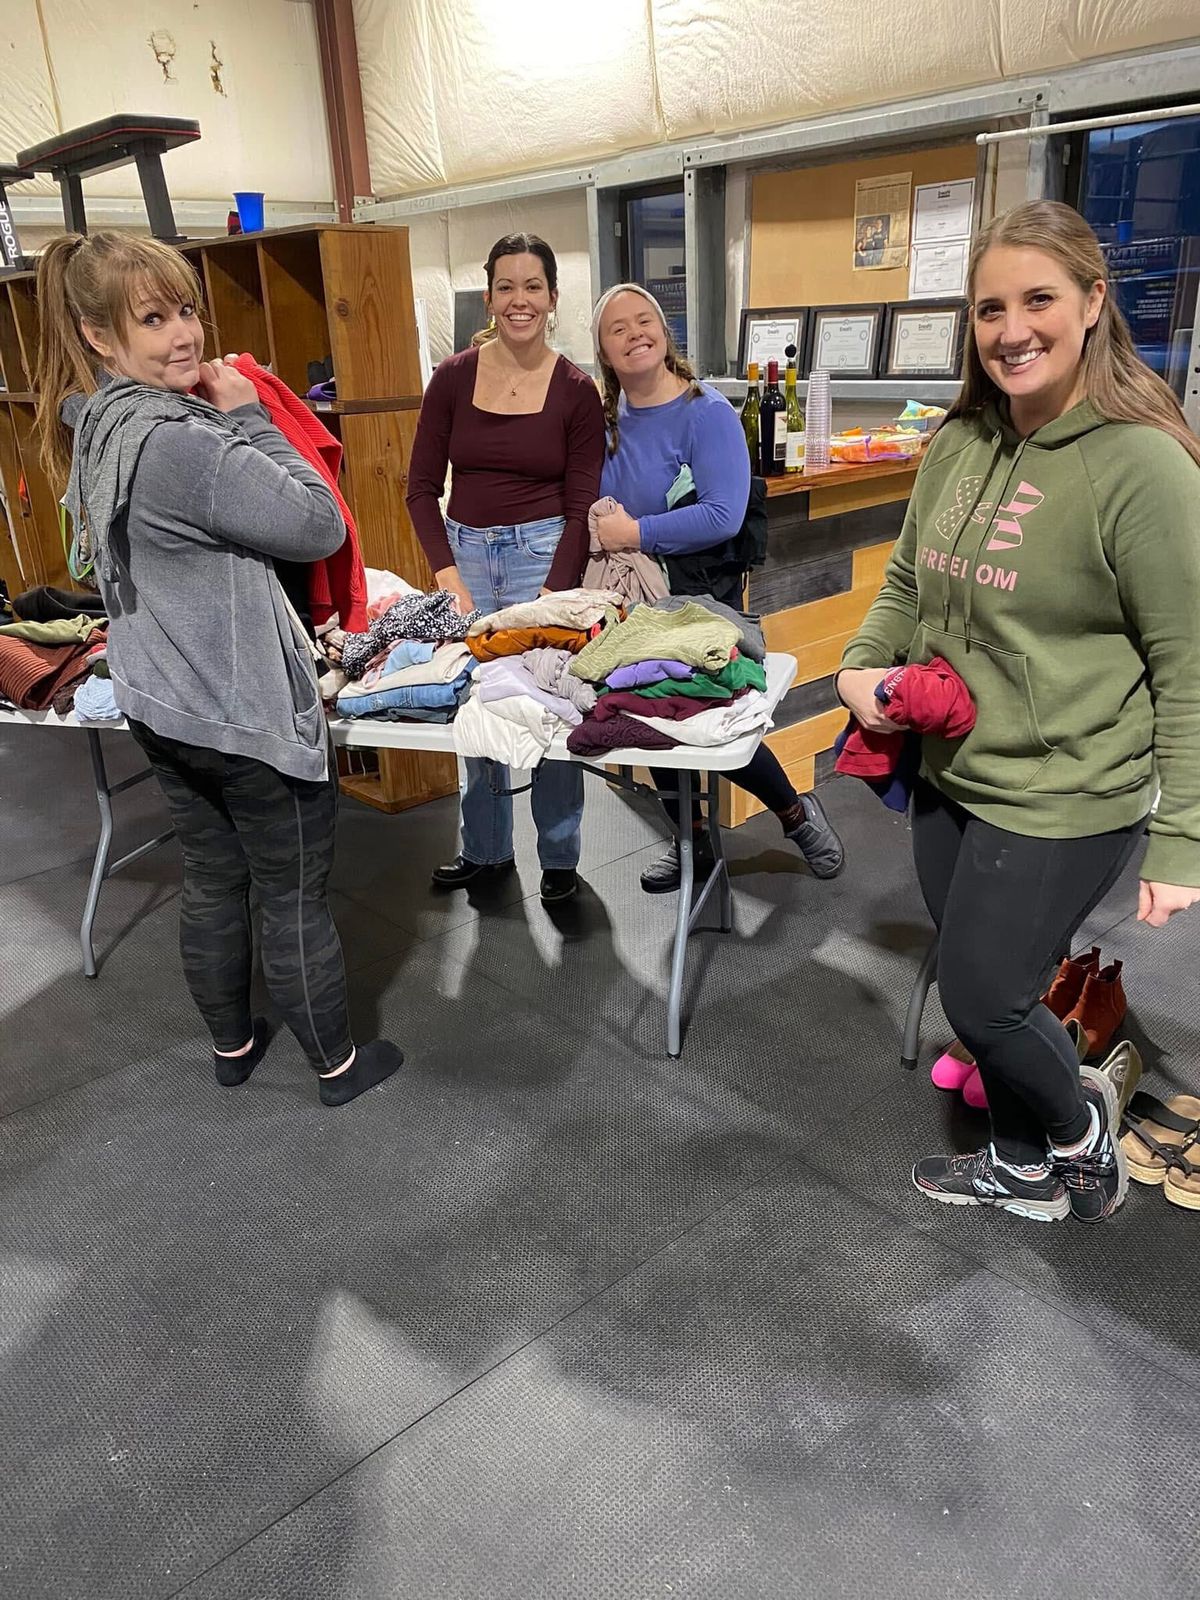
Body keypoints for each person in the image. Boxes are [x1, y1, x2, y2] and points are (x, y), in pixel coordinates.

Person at [837, 200, 1200, 1224]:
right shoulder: (960, 441)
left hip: (1067, 787)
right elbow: (908, 581)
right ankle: (1019, 1159)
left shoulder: (1142, 466)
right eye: (990, 307)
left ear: (1092, 301)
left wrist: (1182, 840)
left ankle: (1082, 1136)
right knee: (999, 989)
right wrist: (864, 668)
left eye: (1038, 299)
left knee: (983, 997)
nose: (1011, 329)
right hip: (955, 773)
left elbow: (1190, 664)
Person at [35, 232, 403, 1106]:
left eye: (186, 309)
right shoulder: (187, 442)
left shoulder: (97, 427)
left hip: (161, 701)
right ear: (98, 336)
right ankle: (338, 1070)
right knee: (294, 895)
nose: (183, 335)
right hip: (239, 707)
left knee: (212, 878)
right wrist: (248, 416)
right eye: (152, 319)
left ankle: (232, 1051)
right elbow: (319, 525)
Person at [590, 282, 845, 893]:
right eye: (617, 328)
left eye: (644, 320)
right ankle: (693, 841)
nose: (634, 334)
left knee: (718, 713)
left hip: (701, 592)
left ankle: (795, 813)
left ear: (665, 331)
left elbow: (723, 514)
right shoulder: (602, 420)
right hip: (629, 594)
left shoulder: (706, 413)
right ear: (601, 349)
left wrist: (634, 532)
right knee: (651, 714)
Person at [407, 233, 605, 904]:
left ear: (553, 298)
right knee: (476, 704)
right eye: (506, 287)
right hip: (466, 558)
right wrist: (446, 574)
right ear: (489, 297)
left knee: (550, 707)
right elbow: (419, 488)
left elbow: (581, 508)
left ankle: (558, 859)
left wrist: (554, 591)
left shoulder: (577, 390)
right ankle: (486, 849)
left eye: (532, 287)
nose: (519, 300)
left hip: (544, 557)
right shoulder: (453, 377)